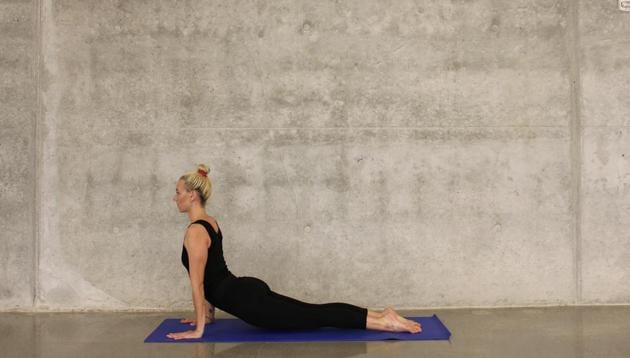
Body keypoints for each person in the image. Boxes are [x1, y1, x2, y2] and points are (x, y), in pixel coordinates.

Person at [166, 164, 422, 340]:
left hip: (248, 302)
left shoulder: (195, 233)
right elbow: (212, 275)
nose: (174, 197)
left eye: (178, 192)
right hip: (244, 291)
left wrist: (199, 329)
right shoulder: (210, 222)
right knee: (314, 311)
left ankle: (382, 322)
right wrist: (208, 317)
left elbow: (199, 284)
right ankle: (380, 315)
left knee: (316, 316)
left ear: (192, 196)